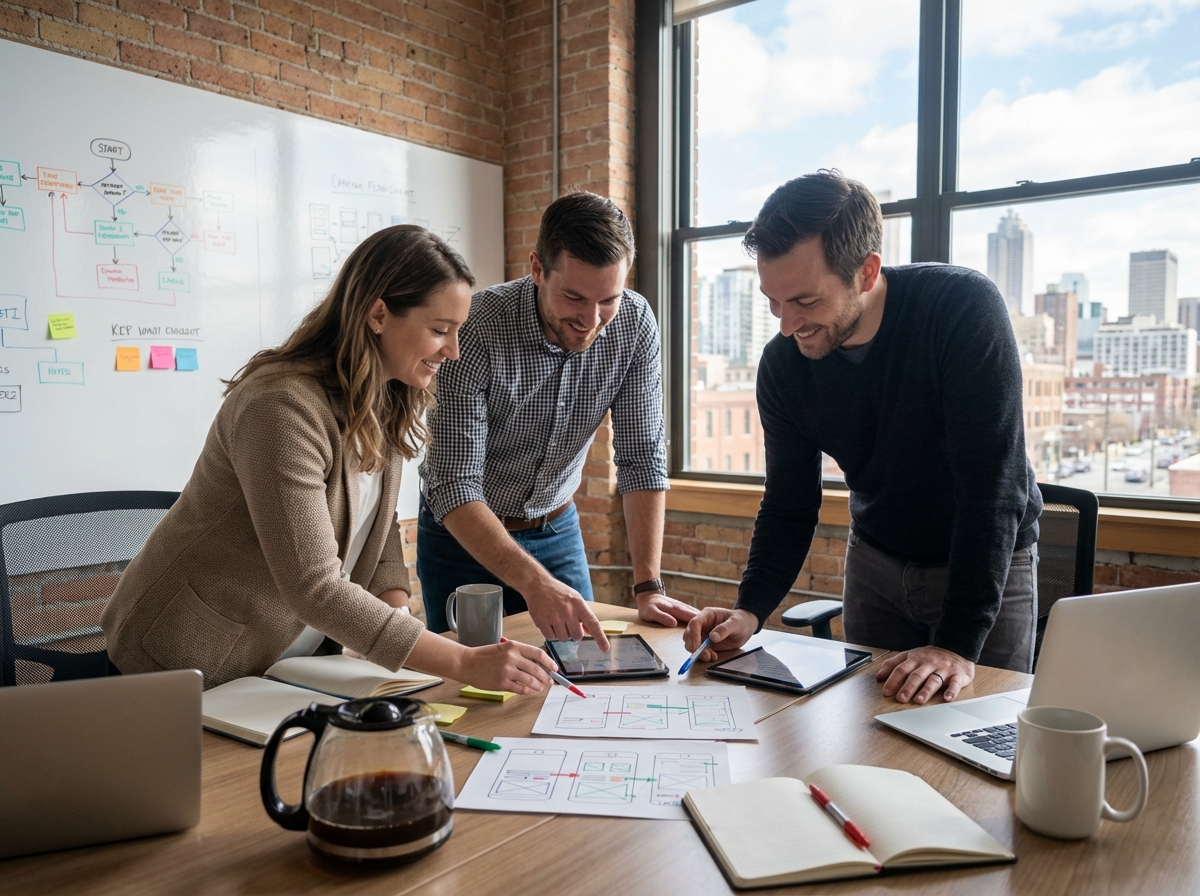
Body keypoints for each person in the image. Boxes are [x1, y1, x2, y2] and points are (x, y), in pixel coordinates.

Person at [102, 226, 557, 694]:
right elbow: (314, 586)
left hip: (287, 664)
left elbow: (378, 531)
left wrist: (398, 621)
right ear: (378, 314)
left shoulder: (384, 396)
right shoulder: (281, 407)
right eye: (440, 331)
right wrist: (461, 661)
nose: (454, 351)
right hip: (185, 659)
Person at [684, 170, 1042, 704]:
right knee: (868, 733)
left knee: (977, 728)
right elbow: (788, 503)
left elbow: (992, 487)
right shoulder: (784, 365)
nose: (787, 325)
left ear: (867, 272)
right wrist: (750, 609)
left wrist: (956, 644)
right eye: (773, 301)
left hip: (984, 565)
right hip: (876, 563)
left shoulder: (961, 309)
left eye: (805, 301)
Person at [417, 191, 698, 647]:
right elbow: (454, 483)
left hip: (556, 527)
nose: (591, 319)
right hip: (463, 535)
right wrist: (534, 583)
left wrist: (648, 586)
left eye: (608, 299)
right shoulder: (477, 328)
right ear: (537, 269)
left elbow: (642, 456)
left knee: (581, 669)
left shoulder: (633, 324)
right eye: (573, 297)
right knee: (472, 677)